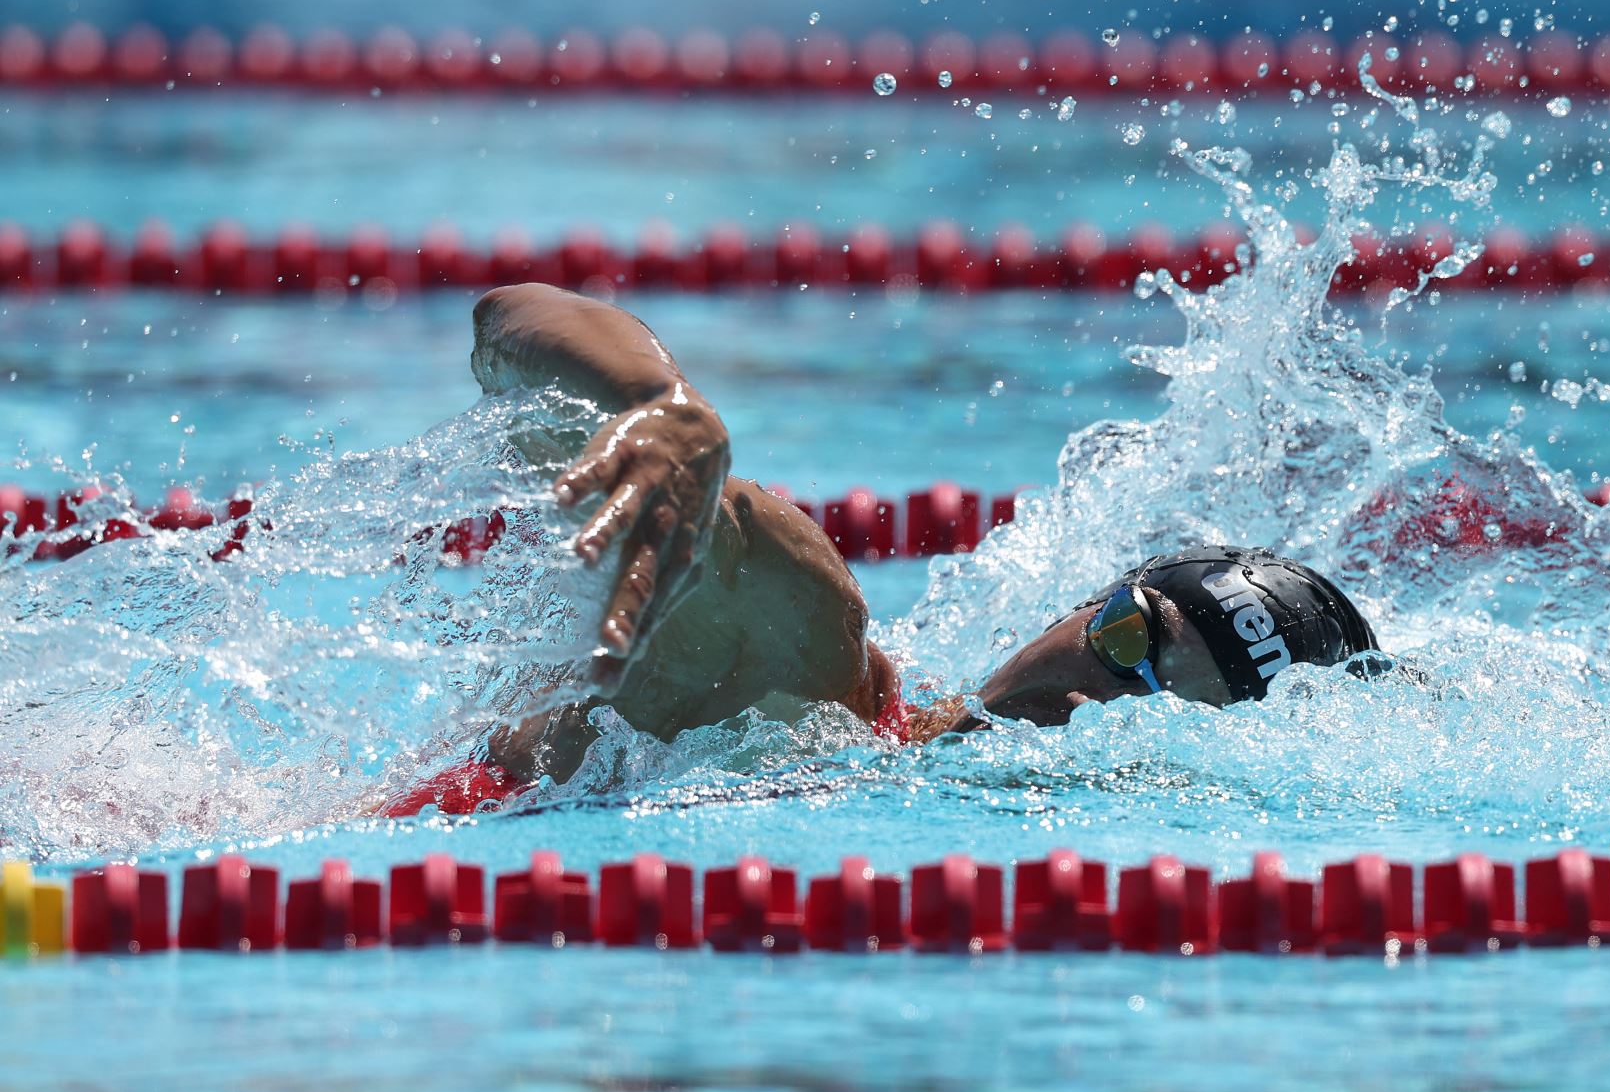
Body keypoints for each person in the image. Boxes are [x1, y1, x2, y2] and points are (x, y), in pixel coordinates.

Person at [386, 284, 1380, 813]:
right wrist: (655, 405)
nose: (1093, 700)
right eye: (1127, 640)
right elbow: (512, 315)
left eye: (1159, 709)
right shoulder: (805, 645)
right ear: (1081, 607)